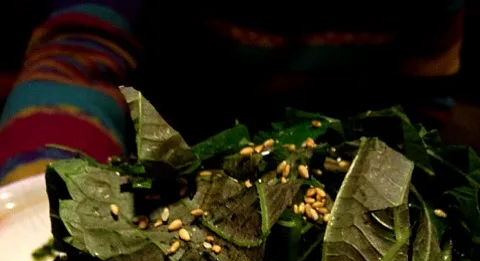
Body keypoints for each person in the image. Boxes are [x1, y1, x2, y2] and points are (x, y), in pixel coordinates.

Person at [0, 1, 466, 183]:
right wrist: (50, 195)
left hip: (339, 180)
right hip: (159, 178)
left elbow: (419, 109)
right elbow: (76, 62)